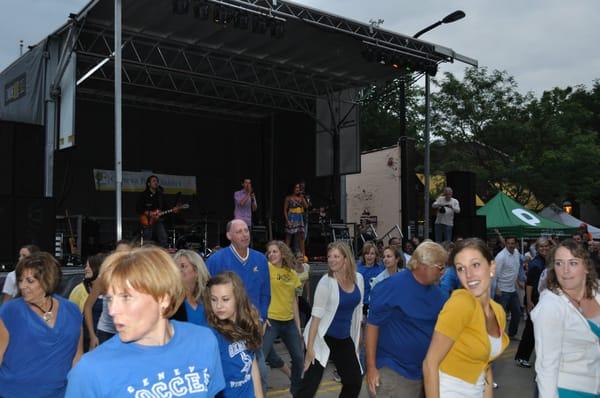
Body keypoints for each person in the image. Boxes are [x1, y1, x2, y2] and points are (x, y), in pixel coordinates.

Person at [65, 246, 226, 397]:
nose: (113, 310)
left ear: (163, 299)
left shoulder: (204, 341)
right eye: (110, 299)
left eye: (126, 297)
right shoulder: (90, 370)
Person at [423, 238, 509, 398]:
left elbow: (486, 367)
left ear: (492, 267)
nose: (468, 275)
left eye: (475, 265)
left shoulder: (498, 312)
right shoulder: (461, 303)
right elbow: (430, 364)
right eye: (461, 269)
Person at [366, 241, 448, 398]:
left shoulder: (439, 296)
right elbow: (372, 326)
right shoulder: (391, 287)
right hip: (394, 373)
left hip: (425, 374)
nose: (443, 272)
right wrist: (371, 367)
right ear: (424, 265)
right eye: (440, 267)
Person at [0, 252, 83, 397]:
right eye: (20, 280)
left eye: (30, 281)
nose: (22, 286)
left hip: (60, 393)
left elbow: (77, 355)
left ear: (48, 280)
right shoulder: (10, 311)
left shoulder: (72, 311)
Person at [206, 219, 270, 391]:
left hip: (250, 326)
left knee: (260, 375)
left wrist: (262, 318)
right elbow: (206, 292)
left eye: (246, 230)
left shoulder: (260, 259)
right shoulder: (216, 260)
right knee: (229, 377)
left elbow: (266, 293)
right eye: (239, 231)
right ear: (229, 236)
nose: (244, 234)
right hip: (225, 329)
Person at [531, 239, 600, 398]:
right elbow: (546, 366)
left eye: (573, 263)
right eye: (559, 263)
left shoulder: (597, 291)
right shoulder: (550, 306)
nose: (565, 271)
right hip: (566, 390)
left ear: (587, 267)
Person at [295, 241, 364, 398]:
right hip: (321, 338)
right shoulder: (326, 282)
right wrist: (310, 349)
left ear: (346, 259)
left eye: (336, 256)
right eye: (329, 256)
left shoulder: (358, 279)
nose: (331, 260)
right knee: (309, 387)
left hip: (344, 339)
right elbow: (316, 318)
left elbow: (357, 312)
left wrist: (357, 338)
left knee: (354, 381)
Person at [205, 272, 264, 397]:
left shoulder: (246, 326)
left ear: (238, 298)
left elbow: (252, 365)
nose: (218, 305)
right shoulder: (212, 336)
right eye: (214, 299)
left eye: (225, 299)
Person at [262, 241, 304, 395]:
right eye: (269, 252)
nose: (271, 254)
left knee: (299, 358)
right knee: (261, 357)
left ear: (283, 253)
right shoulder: (266, 269)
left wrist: (298, 325)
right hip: (271, 321)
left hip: (288, 322)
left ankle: (296, 389)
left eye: (275, 251)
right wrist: (261, 316)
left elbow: (294, 300)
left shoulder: (292, 274)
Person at [514, 237, 551, 368]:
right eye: (541, 247)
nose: (544, 248)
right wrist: (529, 301)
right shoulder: (536, 264)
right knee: (531, 330)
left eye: (546, 246)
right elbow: (529, 284)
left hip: (541, 299)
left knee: (535, 329)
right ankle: (522, 357)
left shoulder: (545, 261)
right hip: (535, 301)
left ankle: (524, 356)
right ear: (537, 248)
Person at [69, 253, 106, 352]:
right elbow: (72, 316)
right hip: (87, 335)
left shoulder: (106, 285)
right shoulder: (79, 289)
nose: (86, 269)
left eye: (89, 266)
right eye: (86, 266)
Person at [493, 236, 523, 339]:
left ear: (516, 244)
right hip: (502, 290)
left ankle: (512, 334)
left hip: (512, 289)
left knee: (517, 313)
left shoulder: (516, 253)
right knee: (500, 316)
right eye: (509, 243)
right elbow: (494, 273)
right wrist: (496, 288)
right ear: (505, 244)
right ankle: (497, 337)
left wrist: (518, 281)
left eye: (513, 243)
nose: (511, 245)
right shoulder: (501, 257)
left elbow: (515, 269)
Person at [171, 249, 211, 325]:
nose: (178, 270)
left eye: (183, 266)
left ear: (197, 271)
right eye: (175, 267)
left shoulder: (211, 299)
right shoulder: (170, 303)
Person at [136, 174, 168, 247]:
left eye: (157, 181)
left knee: (163, 237)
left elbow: (166, 207)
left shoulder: (160, 195)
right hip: (147, 220)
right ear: (148, 184)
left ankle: (161, 255)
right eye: (153, 181)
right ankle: (146, 254)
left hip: (157, 220)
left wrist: (174, 209)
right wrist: (148, 213)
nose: (156, 182)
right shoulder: (143, 194)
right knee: (147, 238)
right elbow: (138, 208)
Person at [356, 242, 384, 315]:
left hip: (377, 304)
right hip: (362, 305)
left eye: (372, 254)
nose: (369, 256)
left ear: (376, 255)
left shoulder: (381, 269)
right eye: (367, 253)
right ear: (363, 255)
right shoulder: (358, 270)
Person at [284, 182, 309, 256]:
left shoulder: (300, 198)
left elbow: (306, 206)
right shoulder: (288, 198)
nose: (297, 189)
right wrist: (287, 221)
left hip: (299, 218)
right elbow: (285, 210)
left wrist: (302, 198)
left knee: (301, 237)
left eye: (298, 188)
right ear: (292, 189)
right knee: (289, 237)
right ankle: (286, 256)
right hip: (291, 218)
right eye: (296, 188)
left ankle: (303, 255)